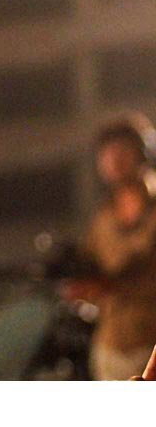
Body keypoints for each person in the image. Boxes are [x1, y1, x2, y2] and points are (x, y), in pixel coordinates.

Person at [71, 115, 156, 380]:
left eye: (122, 151)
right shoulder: (103, 220)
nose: (114, 160)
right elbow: (88, 271)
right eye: (107, 154)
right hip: (111, 348)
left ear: (142, 154)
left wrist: (117, 283)